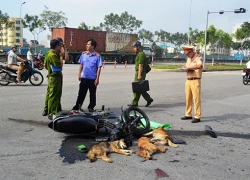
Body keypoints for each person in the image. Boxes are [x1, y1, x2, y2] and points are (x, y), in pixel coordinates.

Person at [72, 39, 102, 112]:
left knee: (92, 94)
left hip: (92, 79)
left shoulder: (97, 56)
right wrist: (79, 74)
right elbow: (81, 65)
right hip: (84, 77)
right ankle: (78, 106)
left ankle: (91, 107)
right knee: (81, 93)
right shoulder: (84, 54)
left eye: (88, 44)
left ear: (93, 46)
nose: (87, 45)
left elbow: (99, 68)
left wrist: (97, 79)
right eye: (87, 44)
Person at [42, 38, 67, 120]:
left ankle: (51, 109)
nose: (61, 47)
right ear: (57, 45)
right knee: (54, 95)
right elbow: (59, 66)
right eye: (60, 45)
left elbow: (45, 65)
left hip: (52, 76)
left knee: (51, 94)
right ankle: (52, 112)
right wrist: (60, 56)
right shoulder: (53, 55)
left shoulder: (49, 53)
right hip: (55, 77)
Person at [180, 45, 203, 123]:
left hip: (195, 80)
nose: (187, 55)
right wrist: (185, 68)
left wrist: (189, 68)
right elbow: (187, 66)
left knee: (196, 99)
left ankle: (197, 116)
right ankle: (188, 114)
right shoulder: (188, 59)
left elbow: (200, 65)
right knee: (188, 98)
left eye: (187, 53)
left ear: (191, 51)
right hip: (188, 80)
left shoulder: (198, 57)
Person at [128, 41, 153, 107]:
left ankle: (135, 103)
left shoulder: (141, 54)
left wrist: (139, 74)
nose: (133, 48)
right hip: (139, 72)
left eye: (134, 47)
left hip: (140, 72)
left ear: (138, 47)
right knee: (140, 88)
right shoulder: (139, 54)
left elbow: (141, 65)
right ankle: (148, 99)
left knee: (136, 87)